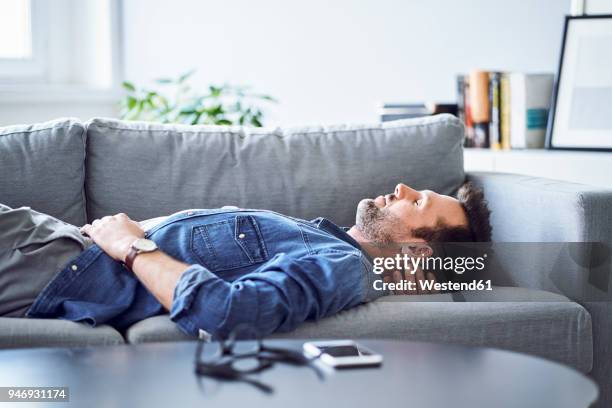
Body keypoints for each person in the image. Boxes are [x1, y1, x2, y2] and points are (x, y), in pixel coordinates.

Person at [0, 182, 491, 339]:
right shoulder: (323, 239)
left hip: (51, 265)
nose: (401, 188)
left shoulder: (343, 264)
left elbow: (232, 312)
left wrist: (130, 246)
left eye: (417, 202)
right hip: (61, 247)